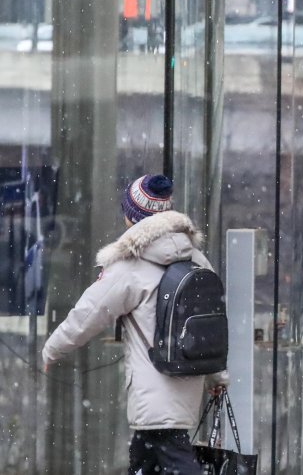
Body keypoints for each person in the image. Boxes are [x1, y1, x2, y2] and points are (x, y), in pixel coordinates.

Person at [41, 174, 227, 475]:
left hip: (155, 389)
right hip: (186, 382)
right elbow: (207, 327)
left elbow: (87, 315)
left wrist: (52, 348)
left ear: (133, 217)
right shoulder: (196, 259)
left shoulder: (130, 266)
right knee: (144, 461)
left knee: (173, 457)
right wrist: (217, 375)